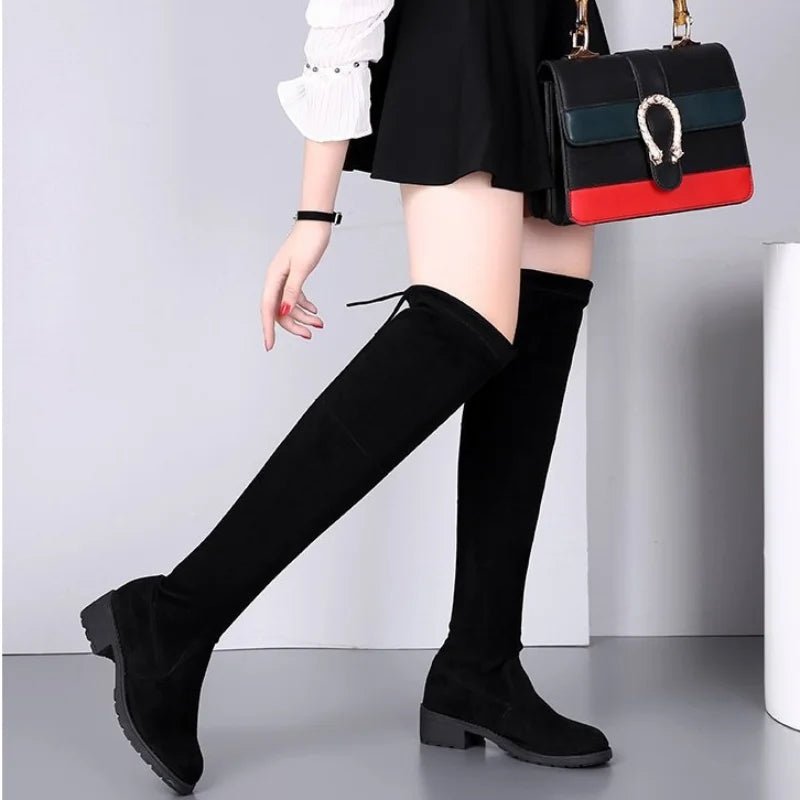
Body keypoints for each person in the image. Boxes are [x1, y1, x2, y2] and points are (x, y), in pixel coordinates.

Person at [80, 0, 613, 793]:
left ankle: (481, 667)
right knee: (461, 326)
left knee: (542, 321)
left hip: (558, 25)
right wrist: (313, 206)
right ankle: (173, 616)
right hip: (465, 29)